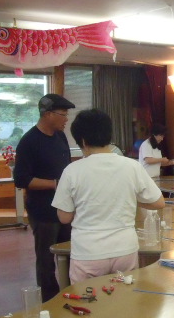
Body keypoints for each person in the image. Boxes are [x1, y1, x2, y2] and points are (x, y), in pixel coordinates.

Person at [51, 109, 165, 284]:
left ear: (83, 141)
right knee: (123, 298)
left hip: (88, 252)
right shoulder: (131, 166)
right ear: (109, 135)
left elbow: (64, 217)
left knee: (88, 299)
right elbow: (159, 202)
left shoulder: (71, 171)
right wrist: (128, 200)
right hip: (125, 249)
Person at [14, 93, 75, 302]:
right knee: (46, 260)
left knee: (70, 253)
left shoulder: (61, 137)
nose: (66, 119)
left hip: (65, 209)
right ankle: (49, 302)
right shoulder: (29, 141)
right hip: (43, 211)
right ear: (48, 114)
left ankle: (71, 293)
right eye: (63, 114)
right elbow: (21, 179)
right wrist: (55, 184)